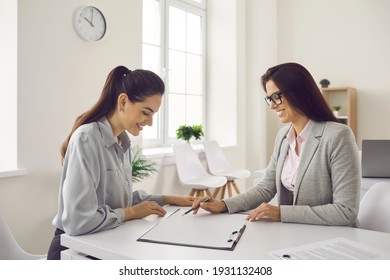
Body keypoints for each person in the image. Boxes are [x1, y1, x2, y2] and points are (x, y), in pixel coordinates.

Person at [47, 66, 194, 259]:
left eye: (153, 115)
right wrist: (131, 212)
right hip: (73, 251)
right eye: (146, 112)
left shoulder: (122, 142)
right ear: (123, 101)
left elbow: (116, 201)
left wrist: (169, 199)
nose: (149, 122)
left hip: (101, 244)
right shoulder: (87, 138)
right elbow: (79, 221)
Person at [193, 62, 361, 226]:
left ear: (300, 93)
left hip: (331, 239)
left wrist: (281, 213)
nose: (272, 105)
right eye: (269, 99)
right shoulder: (283, 136)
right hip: (294, 234)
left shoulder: (338, 136)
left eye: (277, 97)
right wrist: (223, 204)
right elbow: (265, 187)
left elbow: (345, 211)